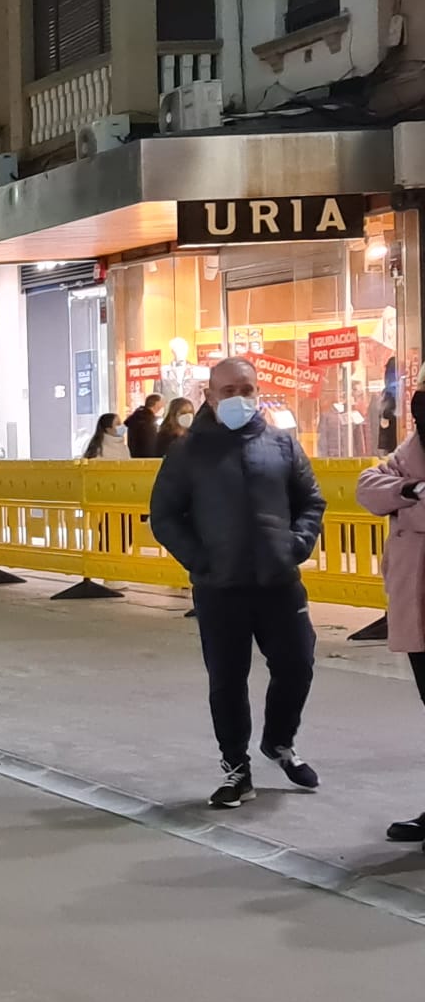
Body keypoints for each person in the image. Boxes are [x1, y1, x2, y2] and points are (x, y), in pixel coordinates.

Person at [149, 357, 325, 810]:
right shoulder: (187, 453)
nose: (238, 398)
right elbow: (165, 516)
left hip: (278, 582)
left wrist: (296, 545)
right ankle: (236, 768)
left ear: (257, 390)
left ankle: (279, 742)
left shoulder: (282, 446)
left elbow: (311, 501)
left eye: (246, 389)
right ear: (209, 396)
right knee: (227, 681)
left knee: (297, 665)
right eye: (227, 391)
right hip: (220, 588)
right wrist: (200, 560)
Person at [357, 391, 425, 843]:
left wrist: (407, 501)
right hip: (418, 599)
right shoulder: (410, 452)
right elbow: (368, 487)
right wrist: (411, 491)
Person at [124, 395, 164, 459]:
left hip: (137, 457)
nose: (163, 405)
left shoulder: (139, 416)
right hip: (146, 459)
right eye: (162, 402)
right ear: (156, 403)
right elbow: (149, 441)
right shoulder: (146, 419)